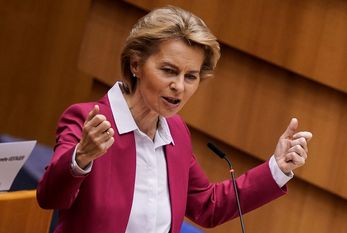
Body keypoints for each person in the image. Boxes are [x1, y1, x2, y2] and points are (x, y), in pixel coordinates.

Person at [37, 6, 312, 233]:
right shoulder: (89, 119)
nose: (179, 86)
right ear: (136, 65)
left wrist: (277, 167)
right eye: (169, 71)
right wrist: (81, 158)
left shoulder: (176, 132)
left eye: (190, 76)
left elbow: (208, 205)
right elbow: (49, 197)